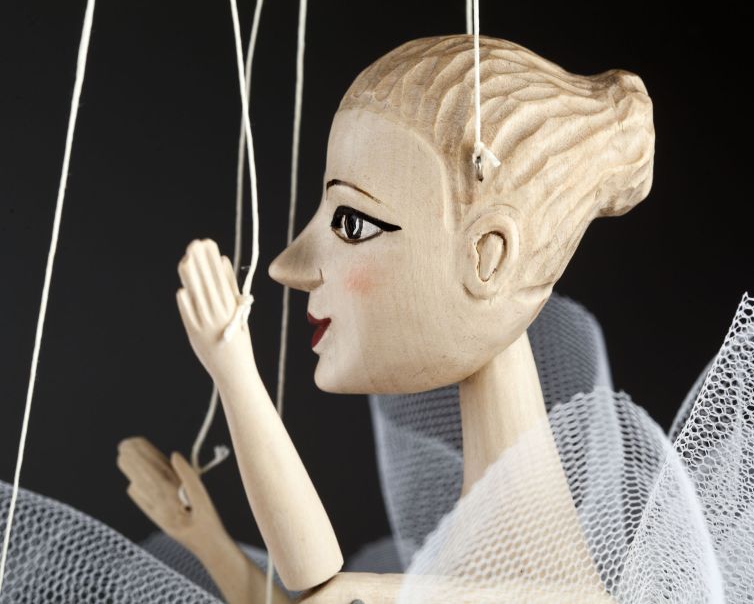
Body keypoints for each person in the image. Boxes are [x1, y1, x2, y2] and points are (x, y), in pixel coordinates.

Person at [118, 33, 654, 603]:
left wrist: (235, 373)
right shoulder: (506, 542)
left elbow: (324, 593)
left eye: (351, 224)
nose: (286, 267)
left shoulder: (535, 576)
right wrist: (207, 541)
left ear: (487, 256)